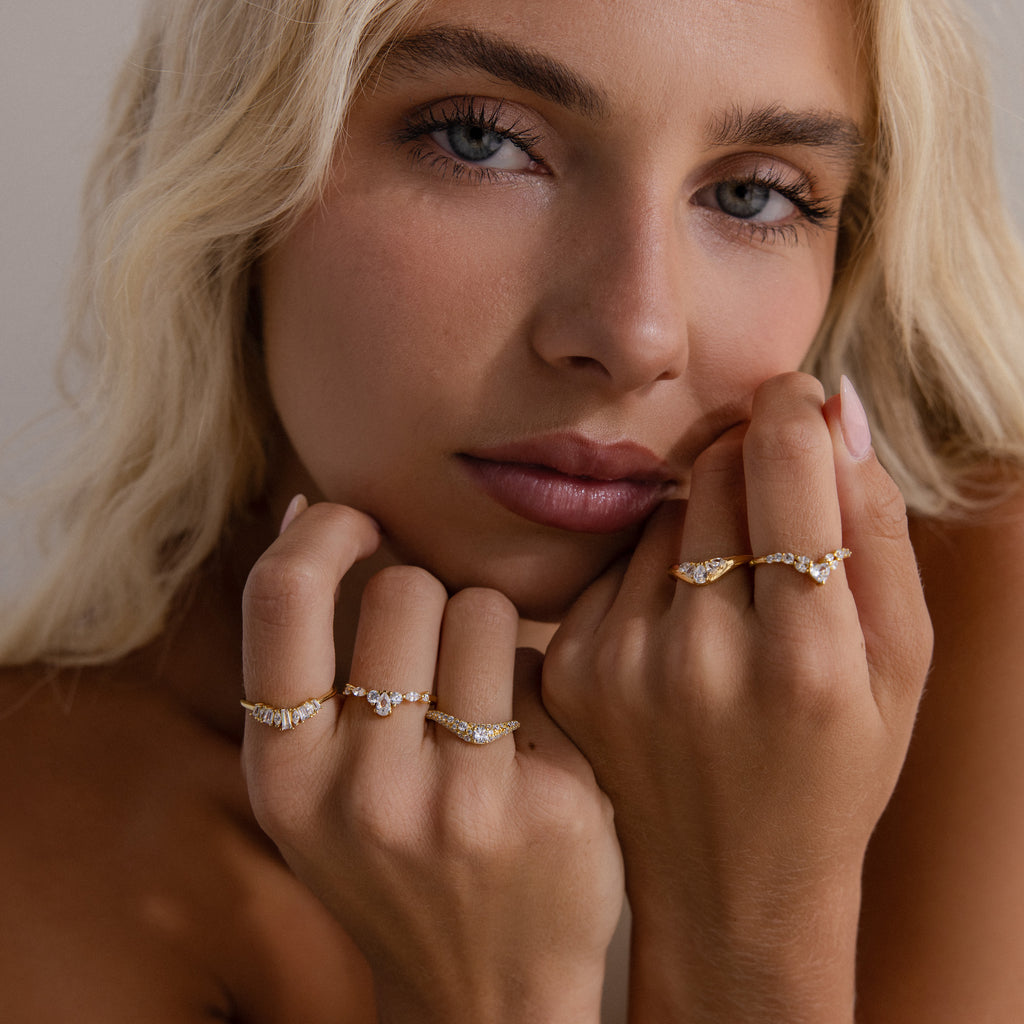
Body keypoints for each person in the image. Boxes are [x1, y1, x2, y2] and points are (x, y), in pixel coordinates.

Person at [2, 0, 1023, 1019]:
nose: (635, 330)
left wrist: (756, 915)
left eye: (755, 195)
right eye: (480, 140)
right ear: (242, 170)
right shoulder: (50, 826)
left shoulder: (970, 601)